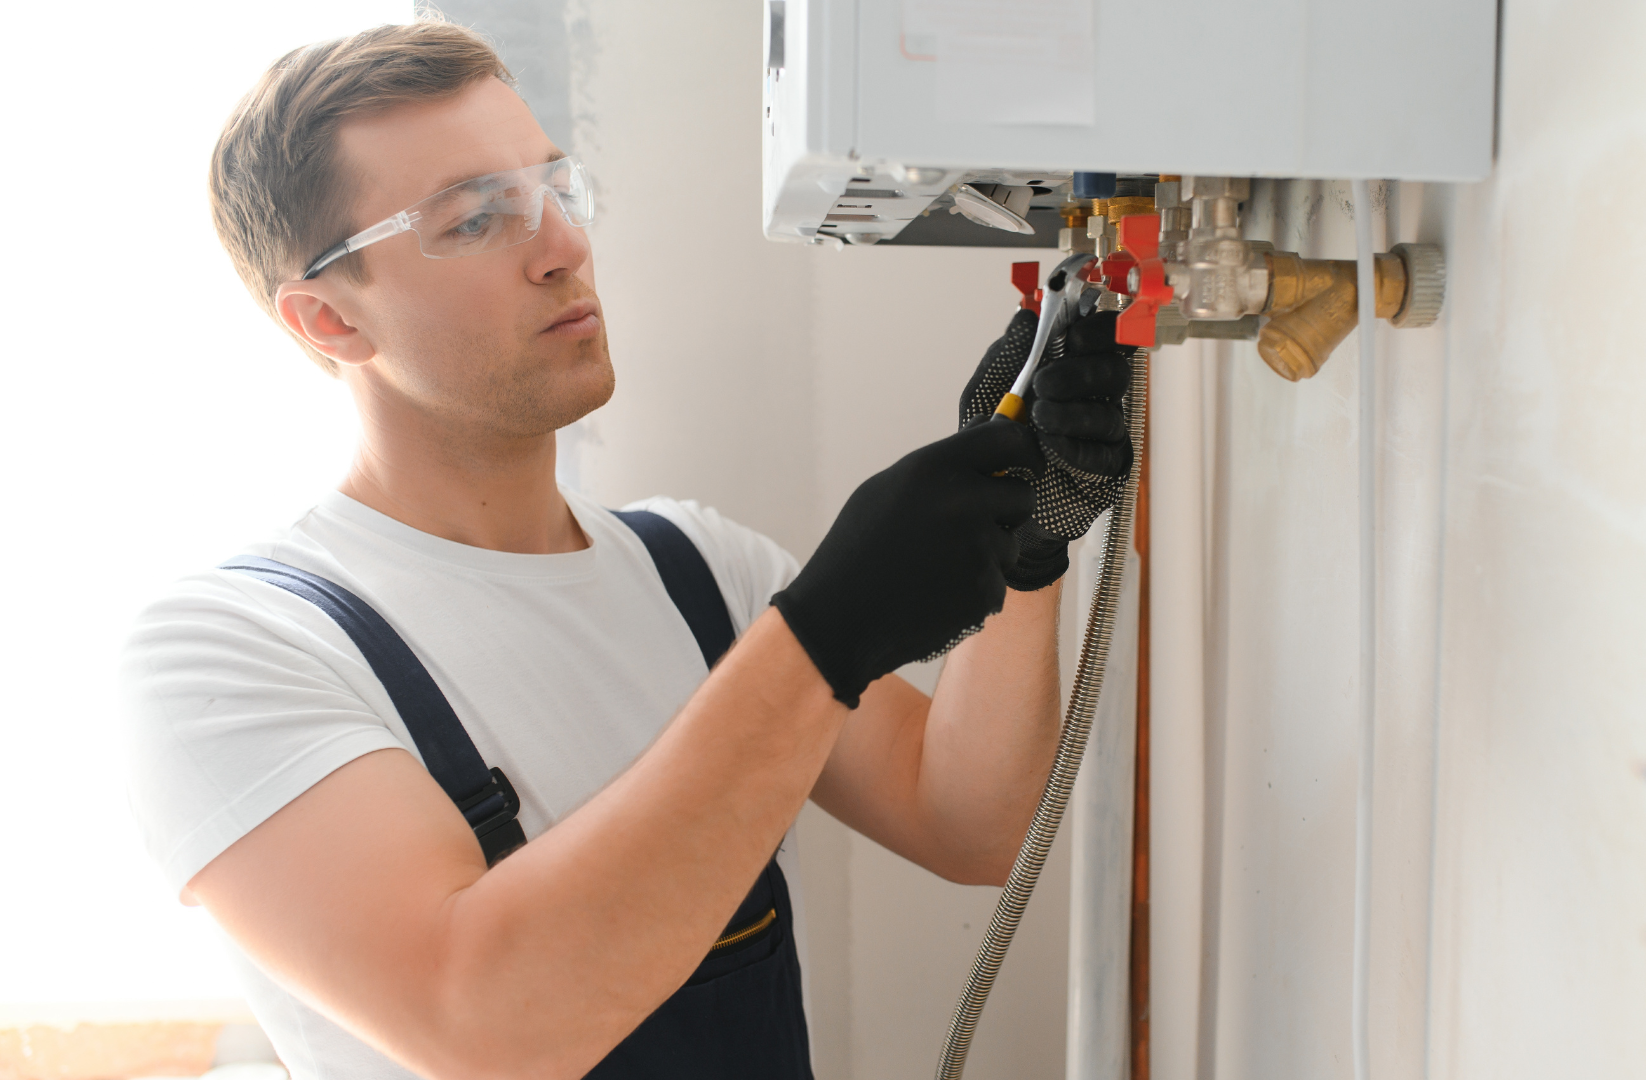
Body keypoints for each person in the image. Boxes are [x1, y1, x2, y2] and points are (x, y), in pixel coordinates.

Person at [119, 18, 1133, 1080]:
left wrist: (1026, 536)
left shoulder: (696, 569)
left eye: (555, 188)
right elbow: (486, 1024)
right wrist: (824, 639)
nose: (561, 246)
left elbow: (968, 825)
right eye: (476, 220)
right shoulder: (226, 656)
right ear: (328, 321)